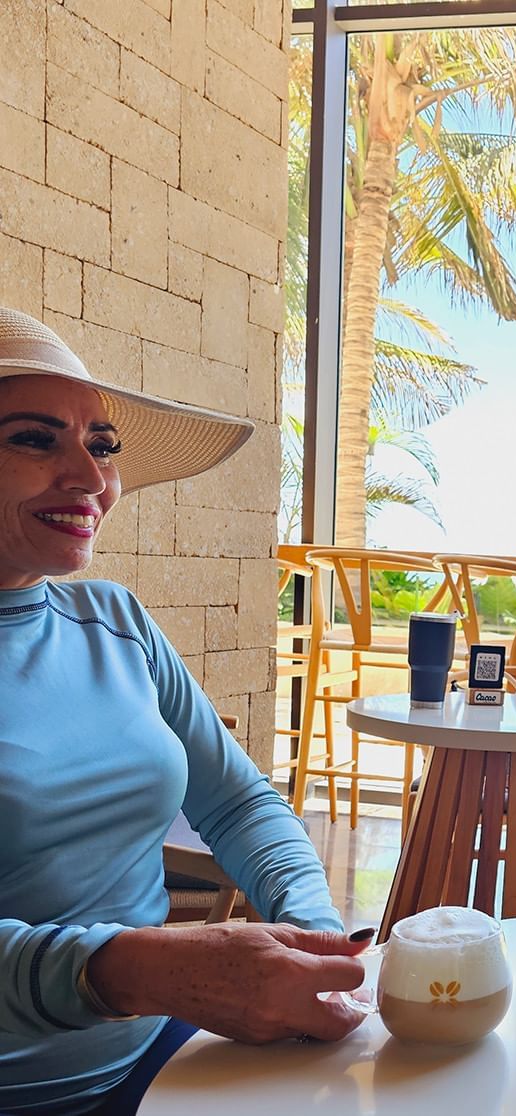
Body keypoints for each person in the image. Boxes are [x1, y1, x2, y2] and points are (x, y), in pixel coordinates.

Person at [0, 308, 371, 1115]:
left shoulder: (116, 623)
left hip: (169, 1066)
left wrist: (315, 934)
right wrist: (142, 969)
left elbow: (237, 802)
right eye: (34, 439)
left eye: (102, 445)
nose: (92, 480)